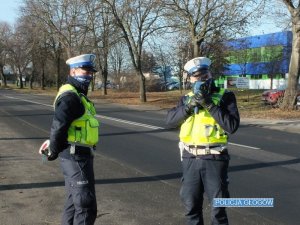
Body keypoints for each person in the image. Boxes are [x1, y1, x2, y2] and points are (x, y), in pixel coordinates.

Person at [166, 57, 240, 225]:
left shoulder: (225, 96)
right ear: (190, 79)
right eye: (196, 77)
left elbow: (232, 126)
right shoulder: (186, 99)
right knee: (191, 207)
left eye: (204, 76)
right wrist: (188, 107)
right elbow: (169, 121)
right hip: (190, 157)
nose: (201, 80)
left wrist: (209, 104)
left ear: (210, 75)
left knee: (218, 210)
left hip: (215, 157)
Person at [40, 54, 99, 225]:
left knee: (73, 204)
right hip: (76, 157)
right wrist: (52, 149)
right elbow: (59, 124)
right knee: (85, 205)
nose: (89, 75)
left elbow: (65, 125)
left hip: (79, 156)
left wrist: (53, 144)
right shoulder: (70, 96)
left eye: (90, 72)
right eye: (85, 70)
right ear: (73, 71)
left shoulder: (77, 94)